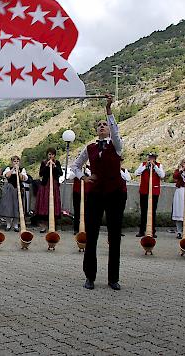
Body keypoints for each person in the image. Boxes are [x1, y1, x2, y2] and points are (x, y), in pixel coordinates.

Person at [72, 94, 124, 291]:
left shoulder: (116, 146)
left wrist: (108, 110)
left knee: (114, 236)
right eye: (100, 124)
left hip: (115, 193)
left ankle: (113, 278)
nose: (103, 126)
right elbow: (75, 166)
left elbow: (117, 133)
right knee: (91, 234)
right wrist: (84, 178)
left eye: (105, 124)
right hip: (95, 194)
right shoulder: (90, 148)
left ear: (109, 128)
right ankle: (90, 277)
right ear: (96, 130)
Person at [134, 152, 165, 238]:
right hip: (144, 191)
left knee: (153, 212)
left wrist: (155, 166)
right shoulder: (143, 164)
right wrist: (145, 166)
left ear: (155, 158)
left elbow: (162, 175)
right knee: (144, 211)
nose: (151, 159)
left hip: (154, 191)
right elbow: (136, 173)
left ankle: (152, 231)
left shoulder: (159, 165)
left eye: (153, 158)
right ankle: (142, 230)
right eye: (150, 157)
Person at [34, 148, 63, 233]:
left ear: (55, 155)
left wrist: (54, 166)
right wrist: (46, 166)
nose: (51, 156)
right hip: (45, 185)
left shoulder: (57, 163)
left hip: (54, 185)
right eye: (49, 154)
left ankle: (53, 226)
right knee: (44, 204)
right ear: (47, 155)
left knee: (54, 204)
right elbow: (41, 174)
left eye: (52, 154)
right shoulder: (43, 163)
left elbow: (60, 173)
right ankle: (43, 226)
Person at [0, 156, 28, 232]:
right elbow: (7, 176)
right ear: (12, 162)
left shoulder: (22, 170)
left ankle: (15, 225)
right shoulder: (8, 169)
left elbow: (24, 178)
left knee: (17, 207)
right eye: (14, 161)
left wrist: (18, 172)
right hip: (10, 189)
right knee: (9, 206)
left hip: (18, 189)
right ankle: (8, 224)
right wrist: (13, 169)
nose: (16, 162)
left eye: (17, 161)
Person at [67, 165, 90, 234]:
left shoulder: (88, 169)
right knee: (77, 210)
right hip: (76, 192)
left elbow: (91, 176)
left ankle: (85, 228)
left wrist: (86, 171)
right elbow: (70, 177)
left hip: (86, 192)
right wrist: (78, 171)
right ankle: (76, 229)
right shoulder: (75, 169)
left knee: (86, 211)